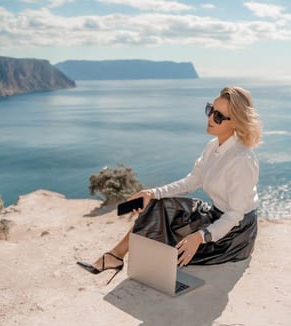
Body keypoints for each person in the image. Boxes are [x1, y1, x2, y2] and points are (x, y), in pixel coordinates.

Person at [77, 86, 262, 284]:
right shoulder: (213, 147)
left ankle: (121, 258)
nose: (209, 117)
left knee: (169, 249)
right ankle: (115, 256)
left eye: (218, 116)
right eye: (210, 110)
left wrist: (200, 237)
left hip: (234, 234)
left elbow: (235, 215)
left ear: (235, 122)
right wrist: (153, 193)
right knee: (157, 206)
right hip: (214, 217)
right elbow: (192, 181)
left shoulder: (242, 160)